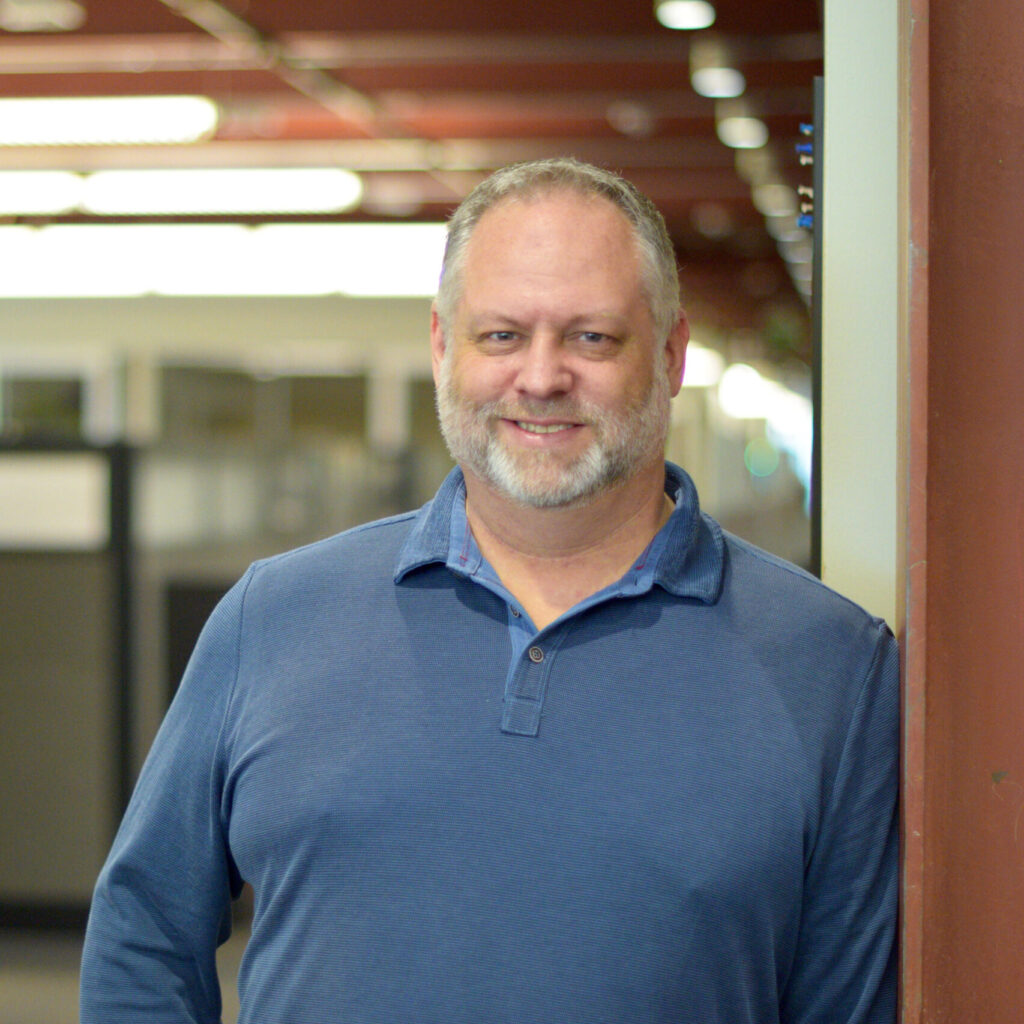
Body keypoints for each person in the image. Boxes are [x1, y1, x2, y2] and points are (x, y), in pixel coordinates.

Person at [80, 157, 898, 1024]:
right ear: (442, 346)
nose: (541, 379)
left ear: (671, 354)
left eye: (591, 337)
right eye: (501, 335)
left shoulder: (834, 668)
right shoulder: (274, 617)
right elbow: (143, 933)